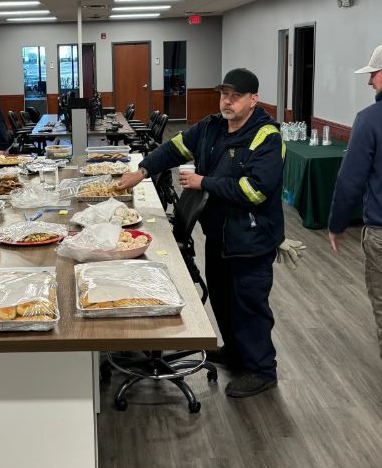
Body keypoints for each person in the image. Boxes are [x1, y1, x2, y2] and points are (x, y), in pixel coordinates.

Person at [118, 68, 286, 398]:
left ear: (253, 100)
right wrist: (142, 170)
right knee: (223, 299)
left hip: (251, 238)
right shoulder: (211, 127)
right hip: (220, 233)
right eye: (224, 94)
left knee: (249, 304)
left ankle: (262, 369)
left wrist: (204, 182)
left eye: (236, 96)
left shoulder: (267, 137)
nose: (227, 101)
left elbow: (256, 191)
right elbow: (174, 149)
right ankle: (237, 352)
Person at [328, 43, 382, 432]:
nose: (370, 82)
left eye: (373, 74)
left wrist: (336, 223)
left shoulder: (372, 118)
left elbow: (351, 179)